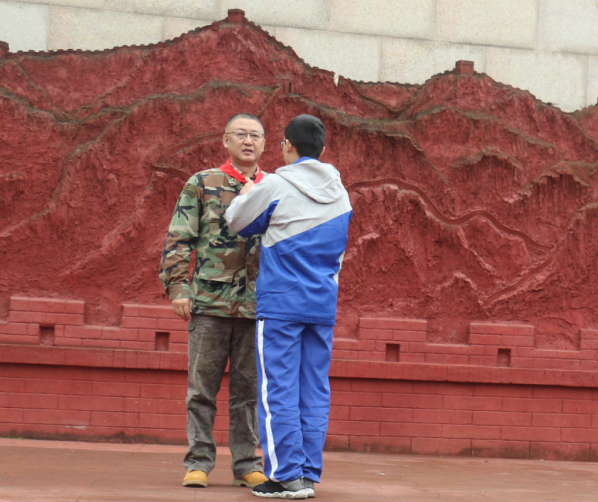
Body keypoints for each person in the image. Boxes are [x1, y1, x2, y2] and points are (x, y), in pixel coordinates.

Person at [225, 114, 352, 499]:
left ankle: (284, 477)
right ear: (323, 150)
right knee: (314, 389)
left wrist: (247, 193)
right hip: (322, 305)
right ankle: (308, 474)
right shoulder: (341, 194)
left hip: (281, 304)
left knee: (276, 388)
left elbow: (236, 222)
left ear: (286, 146)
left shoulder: (276, 183)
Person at [158, 113, 269, 489]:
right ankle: (199, 462)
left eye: (256, 135)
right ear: (226, 140)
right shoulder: (203, 183)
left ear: (265, 144)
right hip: (208, 303)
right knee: (201, 390)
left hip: (257, 307)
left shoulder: (275, 187)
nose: (248, 141)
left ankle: (247, 463)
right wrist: (178, 288)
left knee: (248, 393)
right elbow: (179, 239)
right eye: (241, 134)